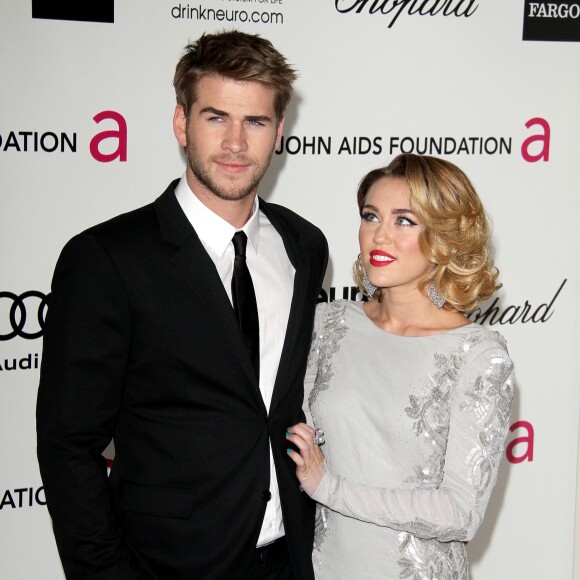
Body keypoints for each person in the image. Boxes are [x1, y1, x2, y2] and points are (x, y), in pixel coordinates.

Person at [36, 30, 328, 580]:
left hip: (290, 560)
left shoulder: (303, 245)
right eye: (216, 117)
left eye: (256, 122)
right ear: (181, 123)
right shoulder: (108, 259)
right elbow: (68, 446)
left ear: (279, 131)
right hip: (168, 565)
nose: (236, 144)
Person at [287, 153, 514, 579]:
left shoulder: (479, 354)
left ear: (445, 237)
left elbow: (460, 511)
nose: (380, 236)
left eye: (404, 221)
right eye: (371, 216)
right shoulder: (330, 323)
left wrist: (329, 488)